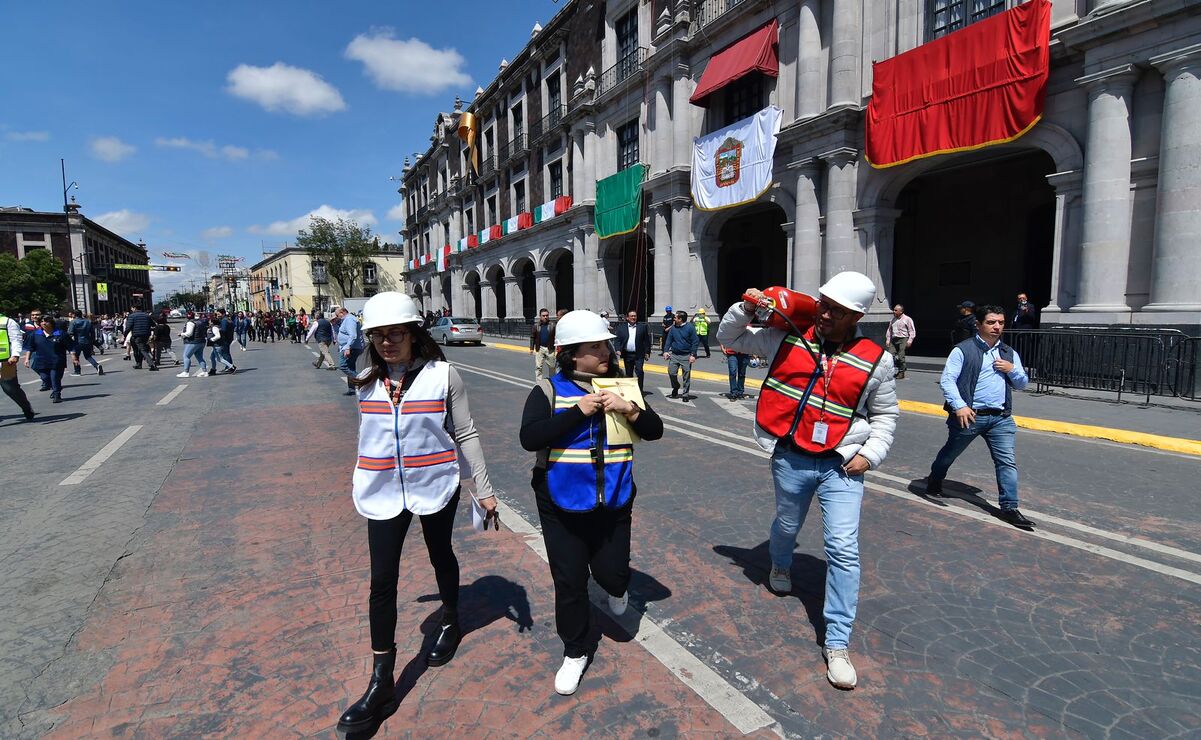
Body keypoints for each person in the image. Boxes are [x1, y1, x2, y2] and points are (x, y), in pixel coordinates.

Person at [717, 271, 899, 690]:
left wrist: (869, 456)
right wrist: (746, 308)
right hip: (791, 457)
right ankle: (781, 562)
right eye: (823, 304)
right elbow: (731, 338)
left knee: (843, 548)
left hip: (842, 464)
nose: (825, 314)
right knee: (786, 525)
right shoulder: (785, 338)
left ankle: (837, 643)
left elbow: (886, 416)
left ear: (856, 317)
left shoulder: (878, 359)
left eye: (836, 310)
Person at [337, 292, 498, 733]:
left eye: (396, 334)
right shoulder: (364, 376)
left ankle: (450, 618)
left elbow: (465, 432)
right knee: (381, 581)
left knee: (439, 553)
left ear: (413, 334)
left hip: (434, 484)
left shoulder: (444, 375)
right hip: (383, 489)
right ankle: (381, 681)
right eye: (378, 335)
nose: (387, 342)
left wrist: (483, 490)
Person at [518, 310, 664, 695]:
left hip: (614, 499)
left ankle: (617, 588)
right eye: (594, 346)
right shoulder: (549, 391)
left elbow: (654, 430)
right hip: (559, 501)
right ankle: (575, 650)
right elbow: (531, 437)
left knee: (612, 574)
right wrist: (578, 412)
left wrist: (630, 408)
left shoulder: (624, 386)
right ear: (569, 353)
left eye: (606, 344)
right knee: (569, 581)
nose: (605, 351)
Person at [926, 305, 1034, 528]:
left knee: (1007, 462)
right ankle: (935, 479)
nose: (997, 327)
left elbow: (1022, 384)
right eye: (991, 322)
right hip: (970, 416)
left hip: (1000, 417)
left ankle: (1010, 507)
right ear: (979, 324)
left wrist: (1012, 369)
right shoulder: (963, 350)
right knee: (949, 453)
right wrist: (960, 406)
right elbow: (948, 380)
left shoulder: (1008, 353)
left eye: (1001, 323)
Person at [24, 315, 70, 403]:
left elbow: (69, 346)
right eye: (42, 322)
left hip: (56, 360)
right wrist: (27, 359)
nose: (44, 323)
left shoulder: (59, 333)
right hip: (41, 360)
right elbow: (30, 347)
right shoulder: (36, 333)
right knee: (44, 377)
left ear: (51, 323)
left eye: (46, 321)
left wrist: (74, 356)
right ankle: (54, 387)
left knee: (55, 377)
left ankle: (57, 394)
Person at [0, 311, 36, 421]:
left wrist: (15, 354)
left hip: (5, 361)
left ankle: (26, 407)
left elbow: (16, 339)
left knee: (10, 389)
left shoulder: (7, 322)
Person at [661, 310, 698, 401]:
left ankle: (685, 394)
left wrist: (693, 355)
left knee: (686, 376)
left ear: (680, 319)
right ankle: (676, 386)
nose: (674, 318)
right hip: (674, 355)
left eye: (675, 317)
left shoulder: (690, 327)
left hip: (686, 355)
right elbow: (669, 340)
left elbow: (695, 341)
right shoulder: (673, 328)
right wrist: (665, 351)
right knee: (671, 372)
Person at [613, 310, 651, 391]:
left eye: (635, 316)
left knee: (639, 371)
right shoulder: (621, 328)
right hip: (627, 354)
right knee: (629, 373)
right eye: (632, 316)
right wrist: (618, 349)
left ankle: (640, 390)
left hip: (639, 354)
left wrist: (647, 352)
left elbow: (646, 341)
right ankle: (629, 390)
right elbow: (617, 340)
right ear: (627, 318)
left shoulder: (642, 327)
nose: (633, 317)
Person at [336, 306, 366, 395]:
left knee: (343, 366)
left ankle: (362, 379)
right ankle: (352, 389)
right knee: (350, 367)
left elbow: (352, 335)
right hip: (349, 347)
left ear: (342, 312)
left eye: (338, 315)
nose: (338, 317)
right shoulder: (347, 319)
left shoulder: (349, 319)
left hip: (351, 347)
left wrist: (347, 347)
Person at [67, 310, 104, 377]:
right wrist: (92, 341)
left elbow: (70, 332)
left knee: (76, 356)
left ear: (75, 315)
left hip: (77, 341)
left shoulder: (73, 322)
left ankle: (77, 371)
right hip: (87, 340)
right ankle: (97, 365)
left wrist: (69, 342)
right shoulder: (88, 321)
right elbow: (92, 332)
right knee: (88, 356)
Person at [884, 304, 916, 379]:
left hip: (903, 339)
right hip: (894, 339)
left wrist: (910, 340)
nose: (893, 311)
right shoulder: (893, 320)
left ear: (901, 311)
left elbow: (912, 330)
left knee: (901, 356)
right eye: (894, 310)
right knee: (890, 356)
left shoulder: (907, 319)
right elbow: (889, 330)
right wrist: (888, 340)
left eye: (896, 310)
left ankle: (901, 372)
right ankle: (898, 368)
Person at [178, 311, 209, 378]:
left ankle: (186, 372)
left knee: (186, 356)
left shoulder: (190, 323)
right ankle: (204, 371)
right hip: (201, 341)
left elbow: (189, 333)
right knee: (199, 357)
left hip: (193, 342)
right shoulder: (200, 322)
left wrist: (181, 334)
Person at [125, 304, 156, 370]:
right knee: (142, 349)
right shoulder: (147, 316)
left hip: (136, 335)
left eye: (132, 308)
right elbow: (153, 324)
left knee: (140, 350)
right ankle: (139, 364)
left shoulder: (132, 316)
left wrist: (124, 336)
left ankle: (151, 364)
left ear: (135, 308)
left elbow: (128, 327)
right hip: (146, 335)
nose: (131, 310)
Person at [206, 309, 237, 376]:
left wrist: (212, 337)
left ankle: (231, 367)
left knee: (223, 356)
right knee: (213, 357)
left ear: (222, 313)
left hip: (222, 341)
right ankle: (214, 369)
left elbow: (223, 330)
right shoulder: (227, 319)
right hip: (225, 339)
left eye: (218, 314)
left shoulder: (224, 321)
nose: (217, 315)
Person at [530, 308, 556, 381]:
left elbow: (557, 336)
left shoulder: (553, 325)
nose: (545, 317)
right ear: (540, 316)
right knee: (538, 367)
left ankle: (552, 382)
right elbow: (532, 337)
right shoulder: (536, 326)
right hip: (539, 348)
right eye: (543, 315)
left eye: (547, 315)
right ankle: (539, 383)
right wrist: (531, 348)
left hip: (550, 349)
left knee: (552, 366)